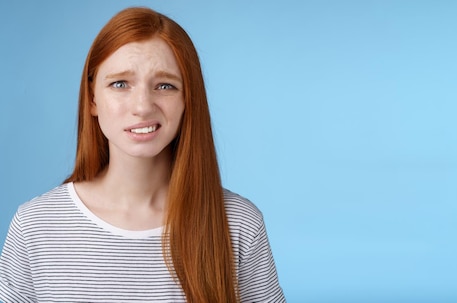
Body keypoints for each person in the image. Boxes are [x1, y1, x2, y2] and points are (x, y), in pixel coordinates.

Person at [0, 7, 285, 303]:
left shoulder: (239, 224)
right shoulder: (34, 226)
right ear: (93, 98)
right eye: (120, 84)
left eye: (165, 85)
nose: (142, 106)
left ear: (188, 99)